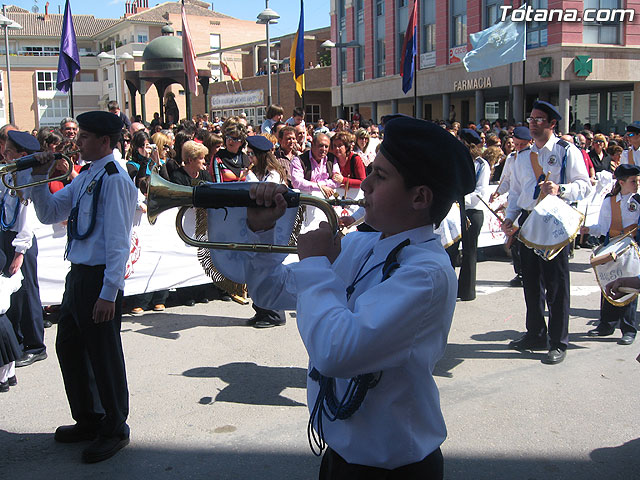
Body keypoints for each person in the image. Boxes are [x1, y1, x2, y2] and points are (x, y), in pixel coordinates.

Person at [238, 116, 475, 478]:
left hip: (394, 467)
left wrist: (316, 264)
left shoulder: (426, 274)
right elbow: (272, 291)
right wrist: (263, 229)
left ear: (420, 197)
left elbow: (336, 352)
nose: (364, 182)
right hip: (342, 453)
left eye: (380, 176)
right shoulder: (363, 243)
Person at [29, 111, 137, 463]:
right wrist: (39, 176)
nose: (79, 143)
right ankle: (89, 419)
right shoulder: (88, 173)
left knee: (104, 355)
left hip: (99, 276)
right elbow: (49, 213)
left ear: (105, 142)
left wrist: (109, 292)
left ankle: (115, 426)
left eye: (86, 137)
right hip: (78, 274)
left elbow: (119, 241)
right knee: (70, 348)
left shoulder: (114, 177)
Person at [502, 101, 592, 364]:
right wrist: (510, 219)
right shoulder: (521, 157)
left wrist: (560, 189)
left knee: (556, 284)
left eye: (539, 119)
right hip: (529, 221)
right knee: (530, 281)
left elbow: (584, 186)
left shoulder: (566, 151)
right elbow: (517, 193)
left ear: (553, 124)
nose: (533, 123)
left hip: (554, 220)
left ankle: (558, 340)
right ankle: (535, 333)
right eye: (531, 118)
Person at [580, 164, 640, 345]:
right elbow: (603, 228)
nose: (637, 184)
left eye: (638, 181)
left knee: (629, 287)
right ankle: (606, 325)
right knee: (609, 283)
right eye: (633, 181)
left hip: (632, 248)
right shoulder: (609, 201)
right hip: (612, 246)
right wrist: (588, 229)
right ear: (621, 182)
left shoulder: (639, 200)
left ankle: (628, 329)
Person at [1, 131, 47, 367]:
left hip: (22, 241)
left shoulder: (28, 176)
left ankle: (35, 345)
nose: (4, 155)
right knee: (12, 295)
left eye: (9, 152)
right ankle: (16, 341)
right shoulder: (8, 174)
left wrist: (20, 251)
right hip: (6, 236)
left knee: (27, 292)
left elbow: (26, 217)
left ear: (22, 154)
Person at [490, 126, 533, 287]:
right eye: (517, 144)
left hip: (529, 204)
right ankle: (520, 272)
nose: (519, 148)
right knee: (513, 239)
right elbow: (506, 180)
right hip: (515, 204)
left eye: (523, 144)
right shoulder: (511, 159)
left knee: (527, 240)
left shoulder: (533, 156)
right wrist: (497, 192)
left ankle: (530, 271)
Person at [454, 128, 490, 301]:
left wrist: (460, 198)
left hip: (472, 212)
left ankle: (467, 291)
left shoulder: (482, 165)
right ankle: (450, 288)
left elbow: (480, 193)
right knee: (451, 249)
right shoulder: (456, 161)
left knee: (469, 251)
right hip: (455, 211)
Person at [0, 249, 22, 392]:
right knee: (10, 355)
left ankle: (2, 381)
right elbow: (17, 283)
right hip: (6, 323)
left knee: (1, 357)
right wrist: (17, 272)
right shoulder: (5, 282)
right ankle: (11, 376)